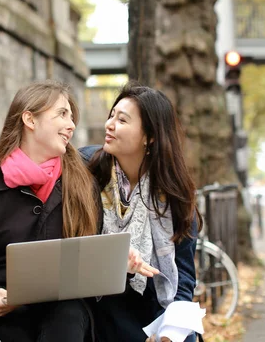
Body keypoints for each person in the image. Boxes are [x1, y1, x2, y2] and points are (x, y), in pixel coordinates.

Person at [0, 81, 102, 342]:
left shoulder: (82, 182)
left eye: (72, 117)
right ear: (29, 119)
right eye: (62, 114)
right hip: (5, 313)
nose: (71, 125)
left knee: (67, 318)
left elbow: (92, 258)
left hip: (65, 310)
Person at [80, 82, 203, 342]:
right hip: (102, 303)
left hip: (154, 306)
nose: (109, 125)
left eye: (122, 120)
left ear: (150, 136)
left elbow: (183, 276)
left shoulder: (175, 197)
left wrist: (170, 332)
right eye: (111, 115)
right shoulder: (86, 169)